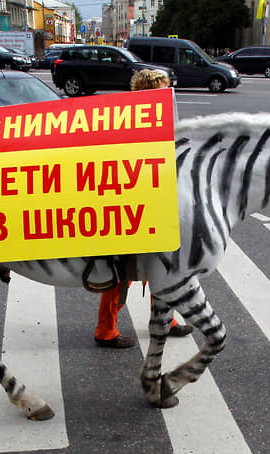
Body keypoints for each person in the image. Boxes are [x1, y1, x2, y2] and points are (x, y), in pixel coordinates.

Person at [94, 69, 193, 348]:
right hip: (131, 209)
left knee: (162, 266)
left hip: (154, 206)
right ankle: (105, 329)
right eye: (163, 90)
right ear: (149, 93)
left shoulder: (156, 121)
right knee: (121, 272)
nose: (169, 94)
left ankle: (165, 320)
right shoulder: (129, 123)